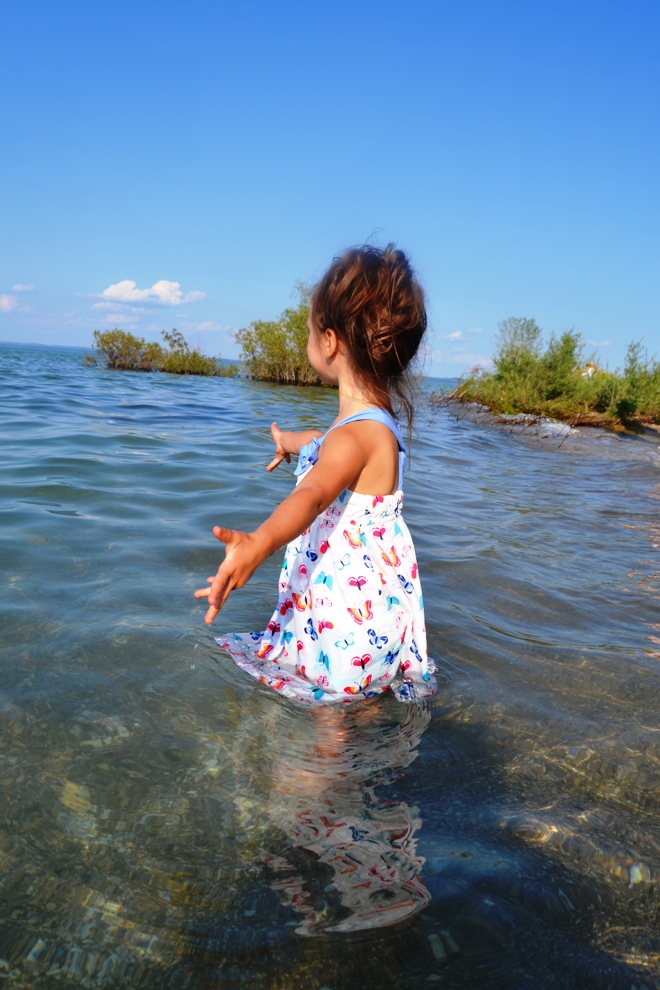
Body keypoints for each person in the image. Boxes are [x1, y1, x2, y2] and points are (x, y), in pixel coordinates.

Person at [195, 244, 436, 705]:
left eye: (309, 330)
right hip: (373, 610)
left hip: (343, 615)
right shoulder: (372, 425)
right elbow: (323, 447)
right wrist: (287, 441)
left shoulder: (352, 438)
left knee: (329, 725)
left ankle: (330, 754)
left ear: (329, 341)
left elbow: (312, 495)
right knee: (354, 710)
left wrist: (257, 543)